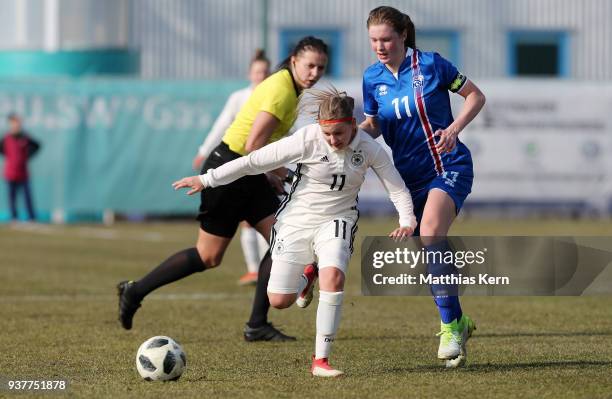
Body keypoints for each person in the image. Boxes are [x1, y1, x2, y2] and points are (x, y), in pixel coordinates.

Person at [172, 86, 417, 377]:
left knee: (334, 275)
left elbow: (396, 186)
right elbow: (252, 162)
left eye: (338, 133)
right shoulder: (307, 139)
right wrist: (207, 178)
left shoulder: (369, 148)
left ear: (352, 125)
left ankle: (321, 360)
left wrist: (407, 219)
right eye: (327, 134)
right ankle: (306, 277)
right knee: (279, 300)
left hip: (338, 219)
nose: (332, 140)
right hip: (296, 220)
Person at [117, 37, 329, 343]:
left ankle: (257, 324)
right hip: (230, 169)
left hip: (246, 171)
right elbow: (252, 145)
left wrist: (274, 172)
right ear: (294, 60)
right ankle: (134, 290)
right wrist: (274, 172)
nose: (315, 72)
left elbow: (262, 145)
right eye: (310, 65)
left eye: (321, 67)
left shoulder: (291, 87)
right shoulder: (282, 90)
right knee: (209, 256)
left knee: (283, 240)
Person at [360, 6, 486, 368]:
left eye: (386, 39)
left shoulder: (431, 64)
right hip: (408, 179)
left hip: (449, 166)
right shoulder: (372, 78)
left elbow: (476, 96)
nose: (380, 46)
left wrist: (454, 129)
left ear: (402, 35)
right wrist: (348, 136)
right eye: (373, 40)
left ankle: (448, 330)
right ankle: (459, 320)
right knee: (432, 254)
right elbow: (374, 126)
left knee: (430, 232)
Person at [192, 49, 272, 286]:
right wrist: (204, 150)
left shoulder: (274, 96)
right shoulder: (239, 97)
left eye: (266, 71)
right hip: (238, 162)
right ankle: (254, 270)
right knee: (249, 220)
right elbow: (222, 124)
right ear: (250, 74)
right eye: (258, 71)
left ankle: (266, 270)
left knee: (264, 218)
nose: (261, 75)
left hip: (264, 161)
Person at [0, 113, 40, 222]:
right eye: (13, 123)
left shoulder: (25, 137)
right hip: (10, 172)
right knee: (12, 197)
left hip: (23, 173)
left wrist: (27, 155)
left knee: (27, 197)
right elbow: (2, 150)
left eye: (17, 123)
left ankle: (32, 217)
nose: (15, 125)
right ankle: (14, 217)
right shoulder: (6, 138)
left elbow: (37, 145)